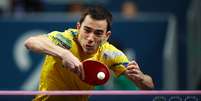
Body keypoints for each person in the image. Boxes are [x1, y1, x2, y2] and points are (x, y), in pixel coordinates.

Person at [24, 5, 154, 101]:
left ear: (106, 36)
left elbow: (149, 86)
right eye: (87, 30)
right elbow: (30, 42)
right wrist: (64, 54)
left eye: (98, 33)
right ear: (78, 27)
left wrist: (141, 77)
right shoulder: (65, 39)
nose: (91, 38)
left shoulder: (109, 53)